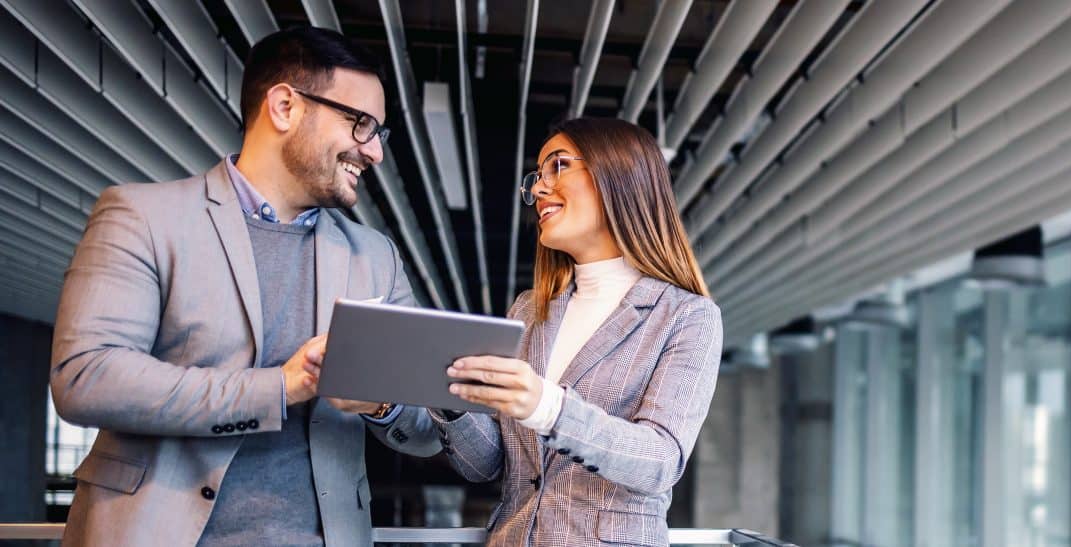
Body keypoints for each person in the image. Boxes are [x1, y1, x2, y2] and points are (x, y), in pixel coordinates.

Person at [50, 27, 440, 546]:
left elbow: (428, 427)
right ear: (284, 106)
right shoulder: (144, 216)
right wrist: (280, 388)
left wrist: (380, 403)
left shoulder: (375, 257)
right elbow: (87, 377)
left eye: (378, 133)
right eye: (361, 124)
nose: (375, 153)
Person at [433, 117, 721, 546]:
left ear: (618, 176)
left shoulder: (686, 316)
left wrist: (548, 407)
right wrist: (450, 400)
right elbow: (489, 466)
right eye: (536, 176)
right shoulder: (531, 309)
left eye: (559, 166)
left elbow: (659, 461)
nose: (537, 189)